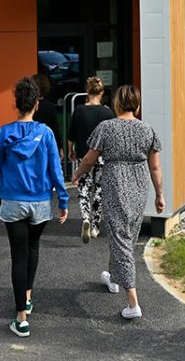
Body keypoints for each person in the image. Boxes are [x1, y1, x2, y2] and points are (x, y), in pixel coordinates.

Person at [0, 76, 69, 338]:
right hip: (40, 203)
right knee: (33, 248)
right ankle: (27, 296)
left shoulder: (5, 132)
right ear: (37, 105)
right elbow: (56, 170)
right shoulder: (47, 134)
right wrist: (63, 201)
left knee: (19, 256)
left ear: (17, 104)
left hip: (13, 203)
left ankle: (21, 319)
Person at [72, 84, 164, 319]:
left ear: (117, 104)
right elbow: (155, 167)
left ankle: (133, 303)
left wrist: (77, 174)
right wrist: (160, 195)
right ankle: (113, 278)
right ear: (137, 105)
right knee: (126, 235)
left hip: (115, 185)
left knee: (121, 239)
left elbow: (90, 159)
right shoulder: (147, 130)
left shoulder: (107, 128)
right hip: (139, 186)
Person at [69, 76, 115, 243]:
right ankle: (95, 226)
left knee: (83, 189)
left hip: (83, 156)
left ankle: (85, 218)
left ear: (87, 92)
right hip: (102, 157)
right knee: (99, 191)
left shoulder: (79, 111)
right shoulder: (108, 112)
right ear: (101, 92)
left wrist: (70, 151)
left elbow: (71, 135)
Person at [32, 74, 64, 158]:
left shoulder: (28, 105)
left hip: (31, 142)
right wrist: (60, 146)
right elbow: (55, 127)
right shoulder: (49, 106)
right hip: (46, 143)